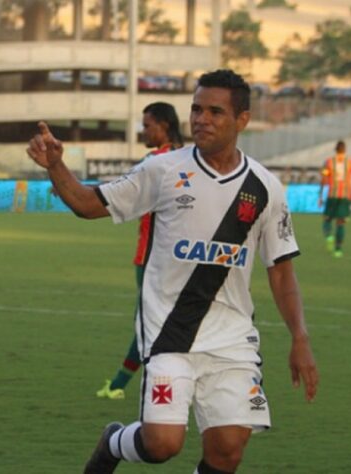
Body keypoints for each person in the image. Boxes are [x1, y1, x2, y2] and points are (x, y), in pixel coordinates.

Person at [27, 69, 318, 474]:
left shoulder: (265, 187)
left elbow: (282, 271)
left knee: (227, 451)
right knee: (163, 443)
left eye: (215, 111)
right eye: (196, 109)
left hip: (231, 339)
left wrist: (300, 338)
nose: (201, 119)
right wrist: (55, 166)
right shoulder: (162, 170)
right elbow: (87, 203)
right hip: (170, 332)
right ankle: (113, 443)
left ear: (242, 120)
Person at [96, 102, 184, 400]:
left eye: (147, 125)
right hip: (180, 258)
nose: (143, 131)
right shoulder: (188, 159)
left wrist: (77, 191)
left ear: (164, 126)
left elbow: (120, 192)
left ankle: (120, 385)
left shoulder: (155, 160)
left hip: (150, 257)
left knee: (147, 323)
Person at [318, 140, 351, 258]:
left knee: (327, 219)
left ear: (335, 149)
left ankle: (329, 236)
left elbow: (323, 179)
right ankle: (338, 250)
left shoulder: (329, 162)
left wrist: (320, 195)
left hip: (332, 195)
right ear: (345, 150)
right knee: (341, 223)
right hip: (345, 196)